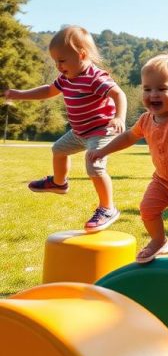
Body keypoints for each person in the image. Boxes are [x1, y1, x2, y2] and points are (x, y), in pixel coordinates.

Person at [88, 53, 168, 262]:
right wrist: (103, 151)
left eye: (162, 89)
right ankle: (159, 240)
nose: (153, 94)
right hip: (163, 181)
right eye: (147, 89)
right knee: (147, 209)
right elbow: (128, 137)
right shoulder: (146, 119)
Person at [3, 25, 126, 232]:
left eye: (62, 61)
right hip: (79, 132)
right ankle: (59, 183)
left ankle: (107, 208)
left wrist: (119, 117)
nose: (58, 66)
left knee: (94, 165)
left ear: (82, 54)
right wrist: (19, 94)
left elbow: (118, 94)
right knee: (58, 150)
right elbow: (48, 91)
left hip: (100, 130)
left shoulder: (95, 77)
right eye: (55, 61)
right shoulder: (66, 78)